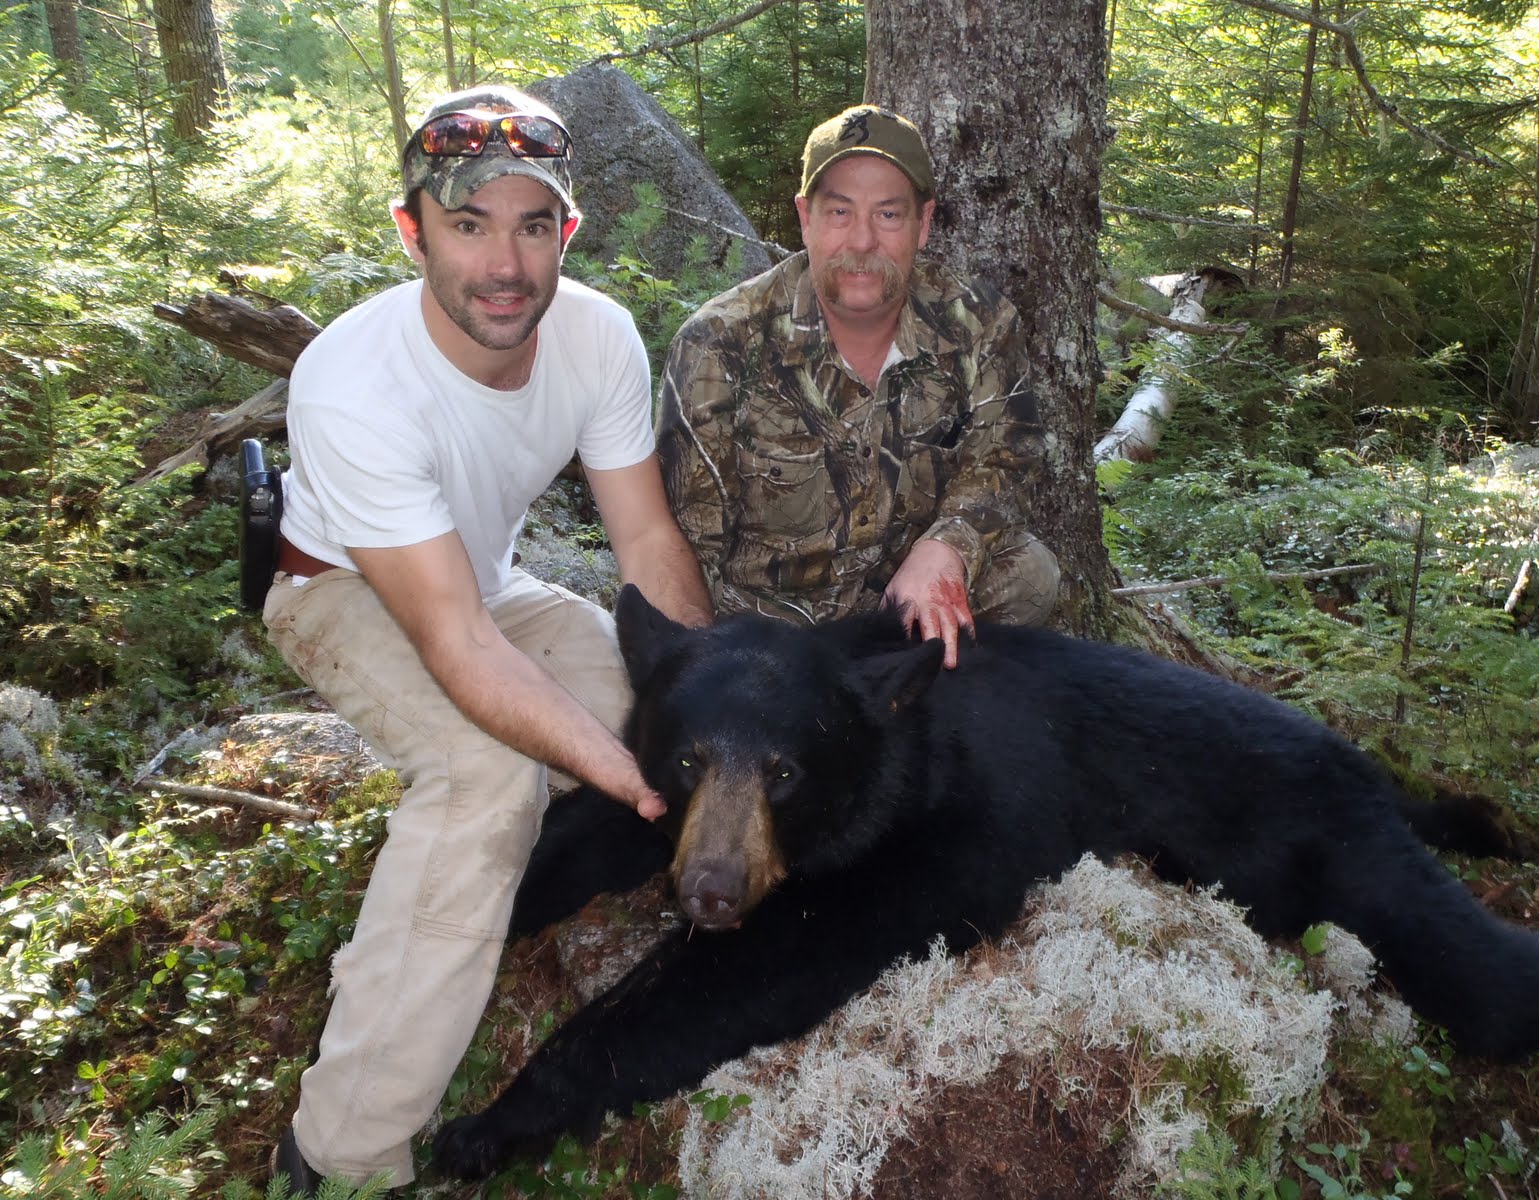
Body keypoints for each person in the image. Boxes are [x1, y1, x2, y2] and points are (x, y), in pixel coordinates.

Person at [262, 83, 713, 1193]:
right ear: (412, 232)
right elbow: (458, 646)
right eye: (467, 225)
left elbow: (646, 542)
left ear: (567, 231)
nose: (504, 264)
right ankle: (340, 1151)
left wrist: (704, 699)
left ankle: (493, 907)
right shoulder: (353, 383)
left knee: (657, 720)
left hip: (485, 586)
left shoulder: (597, 335)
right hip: (339, 591)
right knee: (487, 776)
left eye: (531, 225)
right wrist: (625, 772)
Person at [656, 103, 1060, 668]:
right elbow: (684, 544)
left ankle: (921, 694)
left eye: (888, 215)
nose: (862, 241)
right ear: (806, 218)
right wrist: (706, 670)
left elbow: (1008, 455)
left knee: (1030, 574)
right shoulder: (720, 343)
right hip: (769, 632)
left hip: (901, 609)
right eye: (840, 212)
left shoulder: (978, 322)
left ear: (924, 223)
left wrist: (946, 546)